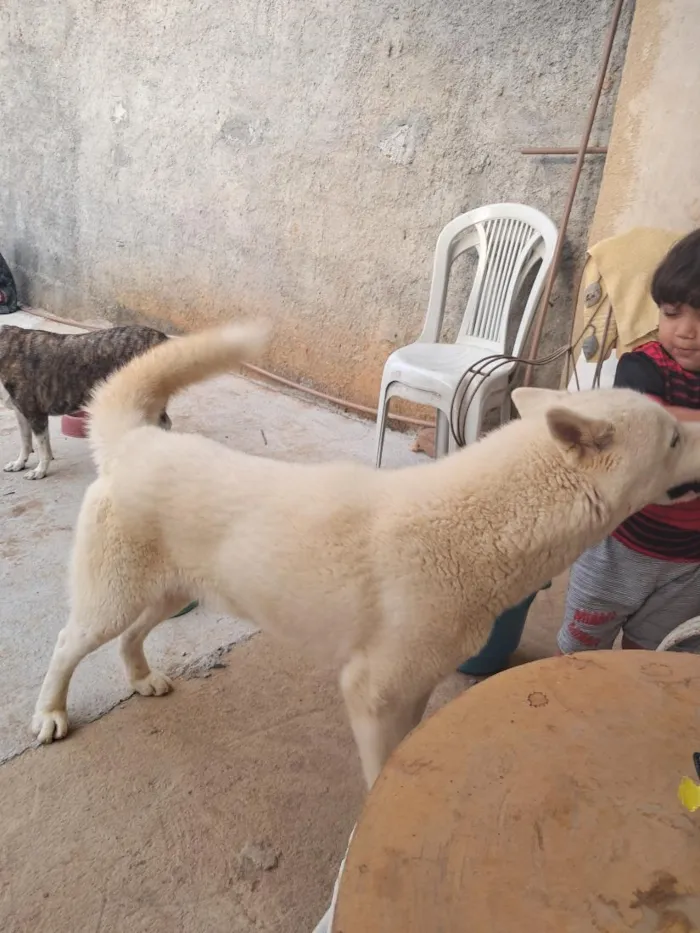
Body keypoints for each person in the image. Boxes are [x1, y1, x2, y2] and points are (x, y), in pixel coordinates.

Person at [558, 227, 700, 654]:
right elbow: (649, 428)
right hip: (619, 549)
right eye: (672, 312)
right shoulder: (642, 366)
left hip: (688, 565)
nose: (685, 330)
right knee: (579, 656)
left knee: (647, 663)